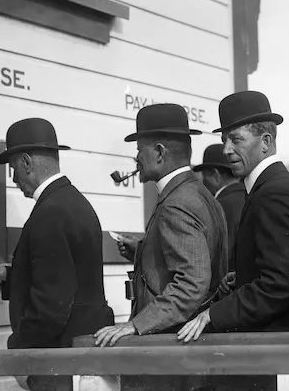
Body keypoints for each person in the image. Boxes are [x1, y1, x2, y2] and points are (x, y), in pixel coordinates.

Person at [178, 91, 289, 389]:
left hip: (271, 358)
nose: (227, 149)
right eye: (224, 140)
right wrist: (242, 278)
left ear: (266, 142)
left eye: (236, 140)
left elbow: (279, 283)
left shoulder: (274, 193)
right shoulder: (271, 188)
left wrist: (213, 315)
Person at [0, 118, 114, 391]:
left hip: (57, 360)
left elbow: (51, 305)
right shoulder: (73, 201)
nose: (14, 179)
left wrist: (19, 349)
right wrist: (4, 272)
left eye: (13, 169)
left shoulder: (50, 212)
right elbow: (67, 276)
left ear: (26, 162)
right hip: (79, 357)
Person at [94, 103, 227, 350]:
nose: (136, 158)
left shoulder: (176, 203)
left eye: (139, 150)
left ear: (159, 152)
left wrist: (136, 325)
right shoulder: (202, 194)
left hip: (171, 345)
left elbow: (192, 282)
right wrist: (144, 252)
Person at [193, 143, 246, 269]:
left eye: (204, 175)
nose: (203, 181)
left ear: (215, 174)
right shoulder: (250, 198)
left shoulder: (217, 207)